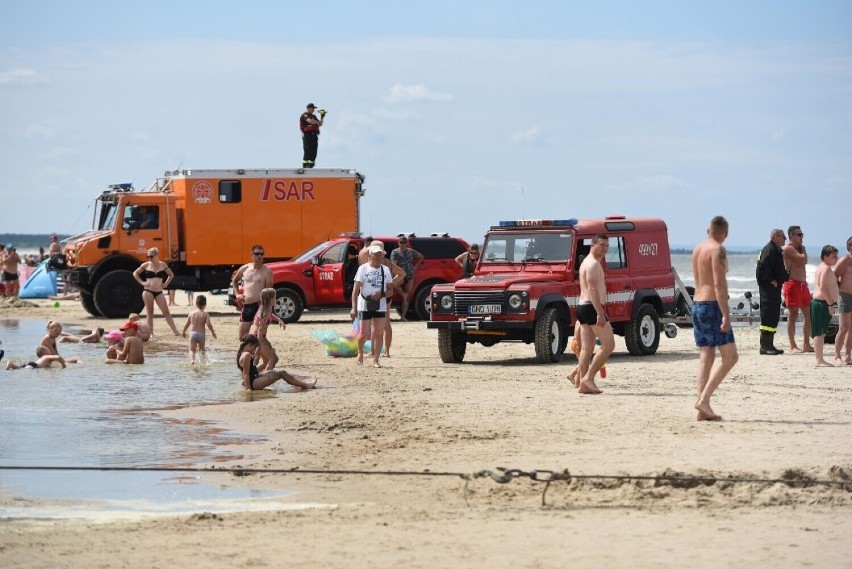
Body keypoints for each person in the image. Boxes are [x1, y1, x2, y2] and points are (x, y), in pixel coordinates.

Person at [691, 216, 738, 421]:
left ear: (707, 230)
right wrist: (726, 314)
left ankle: (703, 410)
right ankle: (704, 400)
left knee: (706, 357)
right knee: (731, 357)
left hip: (697, 304)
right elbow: (719, 285)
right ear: (725, 234)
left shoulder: (698, 248)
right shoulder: (718, 250)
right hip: (712, 305)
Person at [575, 234, 615, 395]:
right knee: (609, 345)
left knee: (586, 348)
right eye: (602, 245)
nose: (605, 249)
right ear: (593, 245)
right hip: (591, 307)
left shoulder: (586, 262)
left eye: (607, 246)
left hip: (583, 307)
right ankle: (588, 379)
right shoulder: (593, 265)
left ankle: (580, 381)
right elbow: (592, 289)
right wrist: (600, 313)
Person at [356, 240, 404, 357]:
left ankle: (383, 351)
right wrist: (392, 283)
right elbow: (402, 274)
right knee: (380, 325)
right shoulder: (387, 262)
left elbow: (402, 274)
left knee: (383, 324)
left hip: (383, 296)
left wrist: (391, 283)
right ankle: (381, 351)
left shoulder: (382, 263)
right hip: (384, 295)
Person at [352, 243, 393, 367]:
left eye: (381, 255)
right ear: (370, 256)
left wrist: (382, 294)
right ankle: (360, 353)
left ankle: (376, 360)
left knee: (379, 332)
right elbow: (355, 289)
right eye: (376, 255)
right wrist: (353, 308)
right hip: (364, 304)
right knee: (363, 333)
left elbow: (391, 290)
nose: (379, 257)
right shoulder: (363, 269)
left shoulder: (385, 270)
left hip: (380, 305)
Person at [237, 334, 316, 390]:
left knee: (279, 372)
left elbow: (247, 371)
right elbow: (246, 374)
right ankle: (306, 385)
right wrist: (249, 390)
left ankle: (303, 383)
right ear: (250, 345)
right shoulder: (247, 355)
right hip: (254, 382)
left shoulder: (240, 353)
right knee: (282, 373)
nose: (254, 350)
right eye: (254, 348)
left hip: (254, 379)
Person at [132, 247, 180, 337]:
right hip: (148, 291)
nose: (149, 258)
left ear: (156, 256)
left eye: (151, 256)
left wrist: (166, 284)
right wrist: (142, 282)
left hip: (159, 291)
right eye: (148, 256)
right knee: (150, 312)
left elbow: (171, 274)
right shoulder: (146, 265)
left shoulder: (163, 264)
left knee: (166, 311)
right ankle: (151, 333)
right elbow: (135, 273)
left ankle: (176, 331)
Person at [755, 228, 788, 355]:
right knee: (768, 315)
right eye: (783, 237)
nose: (784, 239)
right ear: (776, 237)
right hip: (768, 289)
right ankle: (764, 346)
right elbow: (763, 267)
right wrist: (771, 280)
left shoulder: (775, 249)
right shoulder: (769, 249)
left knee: (774, 314)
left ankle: (770, 345)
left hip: (774, 289)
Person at [232, 245, 274, 340]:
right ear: (251, 255)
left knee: (259, 337)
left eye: (261, 254)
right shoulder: (245, 268)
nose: (259, 256)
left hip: (260, 306)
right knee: (242, 337)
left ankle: (258, 354)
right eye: (257, 254)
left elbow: (268, 292)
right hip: (247, 305)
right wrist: (237, 294)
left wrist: (265, 308)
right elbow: (235, 281)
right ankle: (250, 353)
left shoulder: (267, 272)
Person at [782, 226, 813, 353]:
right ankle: (792, 345)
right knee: (793, 315)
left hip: (802, 284)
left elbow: (802, 261)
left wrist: (802, 248)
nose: (802, 237)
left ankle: (806, 344)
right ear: (791, 236)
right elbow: (803, 260)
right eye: (799, 235)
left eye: (802, 234)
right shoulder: (789, 248)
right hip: (792, 283)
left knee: (808, 314)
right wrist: (803, 249)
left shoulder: (799, 249)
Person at [811, 245, 840, 368]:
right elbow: (822, 287)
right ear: (826, 256)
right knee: (820, 332)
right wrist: (830, 304)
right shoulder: (826, 269)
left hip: (820, 303)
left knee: (820, 332)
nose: (836, 258)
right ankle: (819, 360)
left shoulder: (822, 267)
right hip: (822, 303)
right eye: (833, 256)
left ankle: (819, 359)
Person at [250, 287, 286, 371]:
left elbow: (271, 314)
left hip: (258, 337)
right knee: (273, 359)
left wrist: (279, 319)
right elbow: (260, 330)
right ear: (269, 299)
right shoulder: (264, 313)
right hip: (258, 338)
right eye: (274, 298)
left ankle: (252, 376)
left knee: (266, 361)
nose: (276, 299)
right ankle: (265, 379)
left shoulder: (267, 308)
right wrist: (258, 350)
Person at [390, 235, 424, 320]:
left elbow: (421, 256)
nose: (402, 244)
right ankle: (403, 294)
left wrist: (416, 266)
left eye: (404, 242)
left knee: (408, 297)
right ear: (398, 243)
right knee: (394, 285)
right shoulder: (395, 252)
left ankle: (403, 316)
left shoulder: (411, 251)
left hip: (410, 275)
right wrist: (394, 274)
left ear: (406, 243)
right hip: (400, 274)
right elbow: (393, 264)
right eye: (401, 242)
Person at [182, 294, 217, 365]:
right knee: (202, 351)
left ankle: (192, 360)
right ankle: (203, 363)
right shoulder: (205, 314)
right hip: (201, 334)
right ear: (205, 305)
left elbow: (187, 324)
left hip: (192, 333)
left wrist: (183, 332)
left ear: (196, 304)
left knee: (191, 350)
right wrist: (213, 332)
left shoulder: (191, 313)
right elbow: (208, 324)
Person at [834, 237, 852, 365]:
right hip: (844, 295)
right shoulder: (846, 259)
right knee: (844, 327)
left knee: (851, 328)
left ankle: (847, 355)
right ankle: (837, 355)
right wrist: (838, 290)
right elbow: (834, 275)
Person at [299, 103, 325, 168]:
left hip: (314, 136)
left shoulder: (314, 116)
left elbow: (320, 124)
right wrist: (316, 122)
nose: (314, 110)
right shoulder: (304, 115)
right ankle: (305, 166)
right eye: (312, 108)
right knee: (307, 151)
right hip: (307, 135)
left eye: (314, 108)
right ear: (308, 108)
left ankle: (311, 166)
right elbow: (310, 121)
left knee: (314, 151)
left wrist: (322, 116)